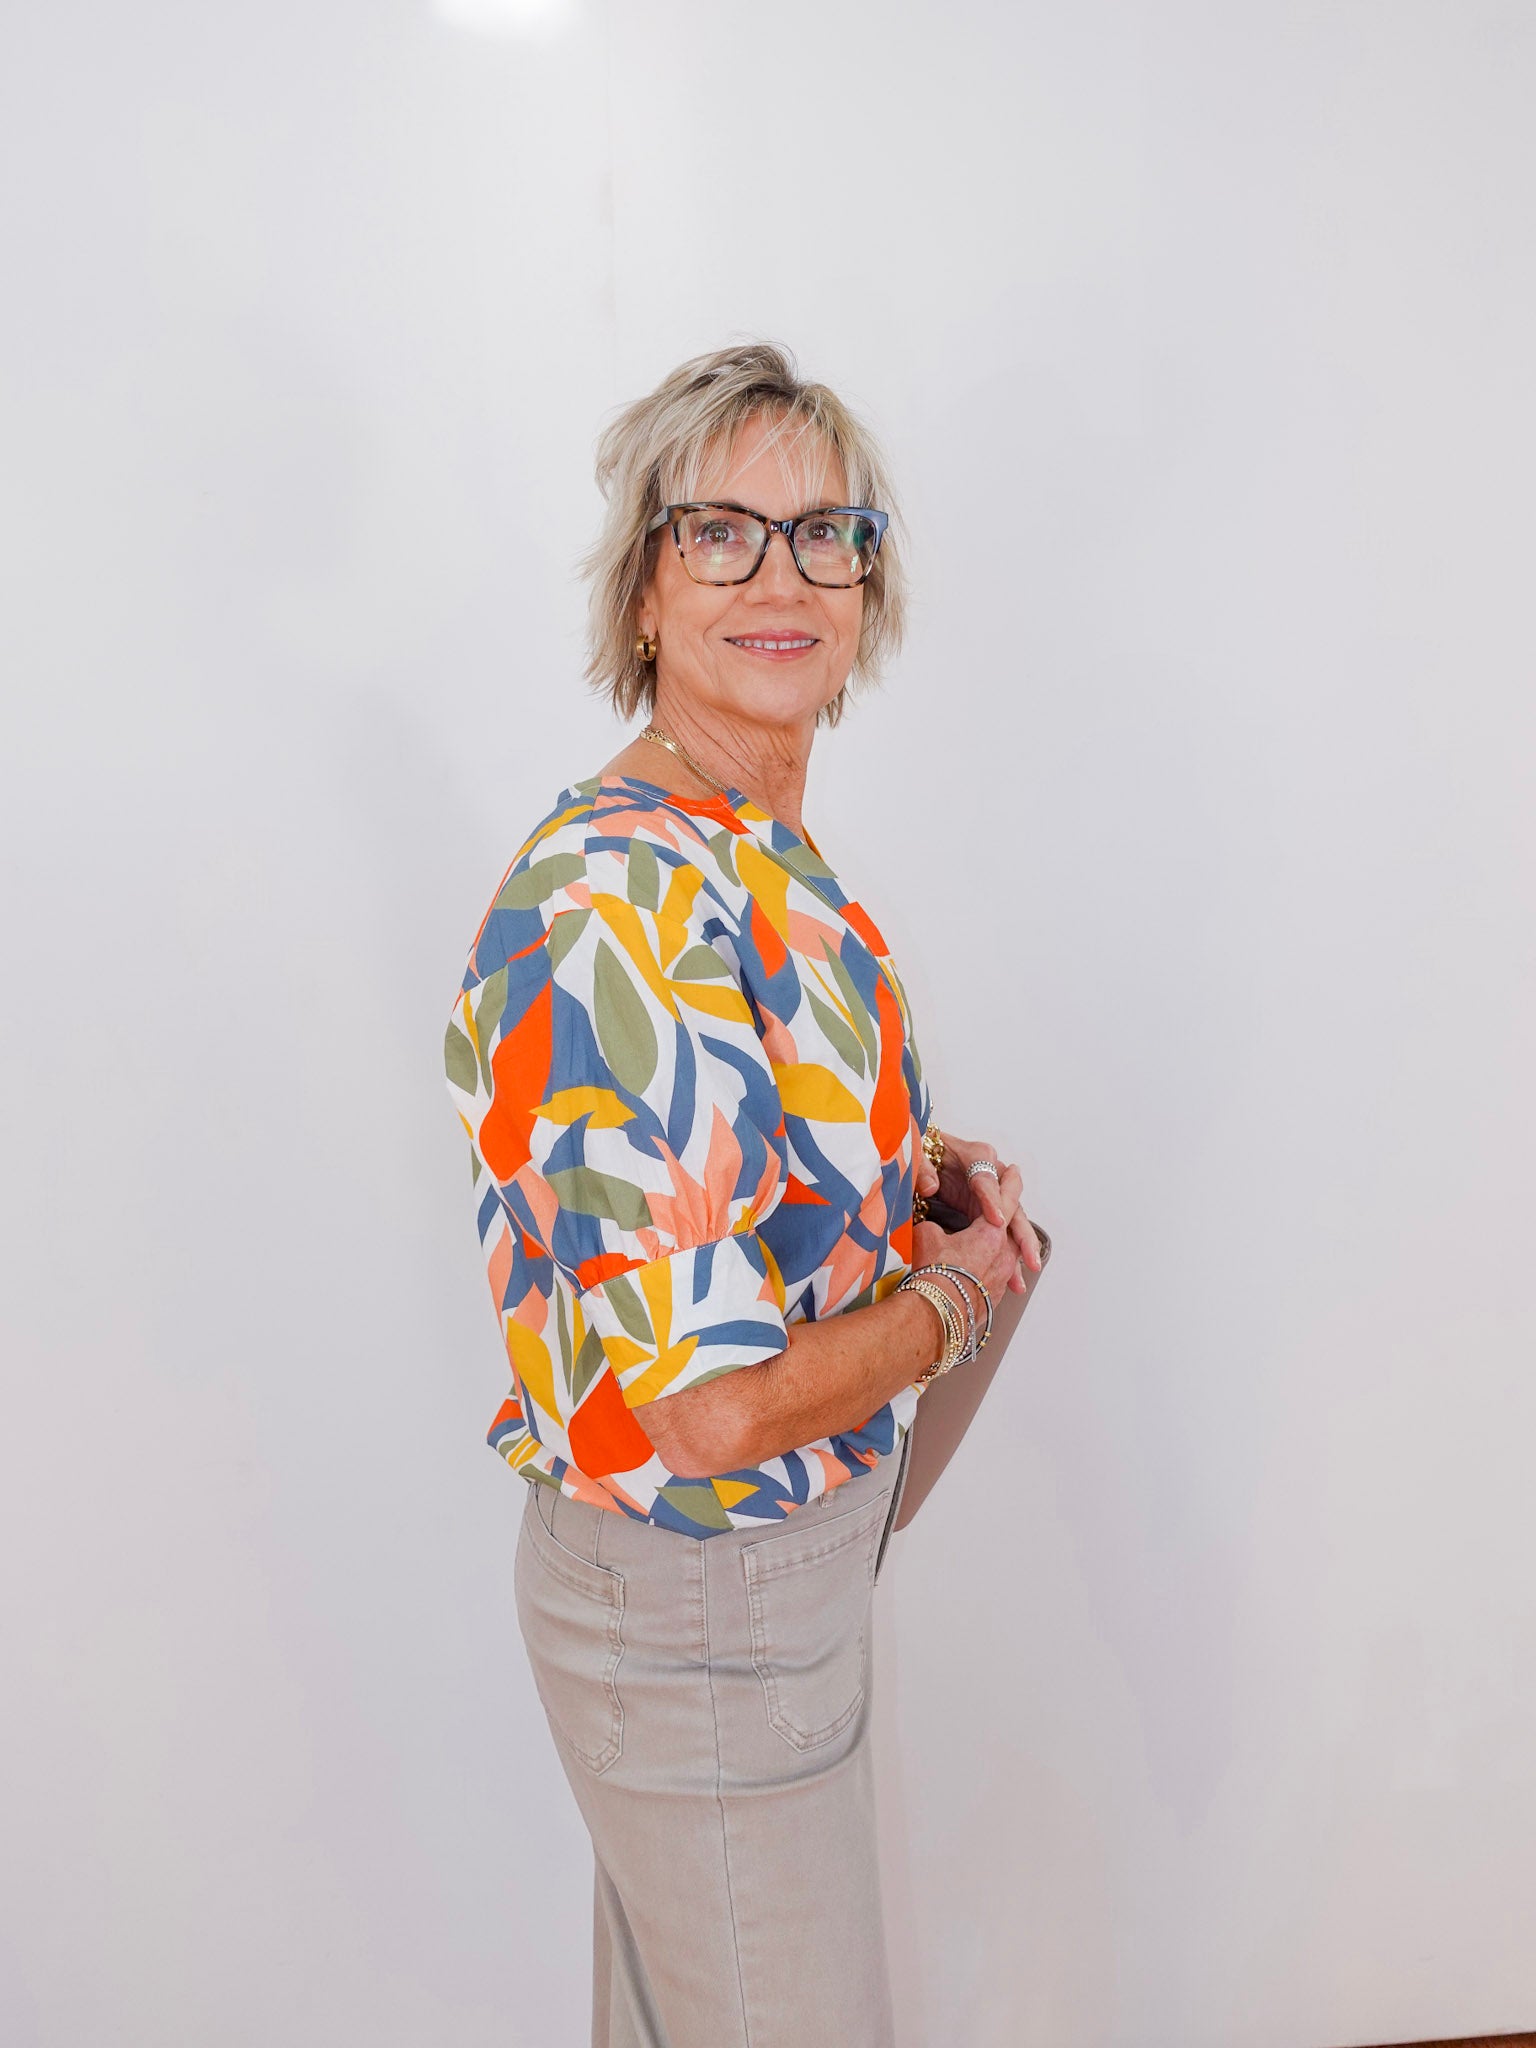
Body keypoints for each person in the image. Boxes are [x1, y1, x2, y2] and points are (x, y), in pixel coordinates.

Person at [442, 339, 1043, 2048]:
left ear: (869, 591)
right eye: (720, 534)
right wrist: (955, 1301)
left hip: (749, 1591)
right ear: (644, 590)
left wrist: (907, 1179)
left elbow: (721, 1144)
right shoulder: (616, 903)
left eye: (825, 535)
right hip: (705, 1597)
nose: (782, 577)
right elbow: (706, 1415)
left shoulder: (750, 850)